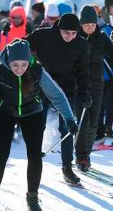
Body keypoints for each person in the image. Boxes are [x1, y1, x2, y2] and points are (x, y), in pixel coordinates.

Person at [0, 39, 78, 211]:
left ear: (29, 61)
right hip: (5, 112)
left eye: (23, 64)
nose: (19, 69)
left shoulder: (37, 71)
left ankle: (33, 197)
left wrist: (69, 118)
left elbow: (57, 95)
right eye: (15, 65)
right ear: (8, 61)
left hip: (32, 112)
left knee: (34, 155)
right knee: (1, 153)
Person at [25, 13, 90, 185]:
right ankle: (34, 162)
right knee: (38, 125)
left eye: (73, 33)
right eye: (66, 32)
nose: (69, 36)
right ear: (59, 29)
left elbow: (83, 71)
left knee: (67, 126)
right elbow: (22, 47)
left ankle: (67, 167)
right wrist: (31, 65)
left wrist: (84, 92)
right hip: (42, 84)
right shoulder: (42, 35)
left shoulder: (81, 44)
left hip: (65, 88)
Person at [74, 5, 113, 171]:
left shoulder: (101, 37)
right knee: (83, 122)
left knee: (94, 122)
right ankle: (80, 156)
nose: (90, 28)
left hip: (97, 84)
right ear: (81, 24)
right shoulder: (76, 37)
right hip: (79, 85)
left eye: (92, 25)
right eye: (86, 25)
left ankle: (87, 154)